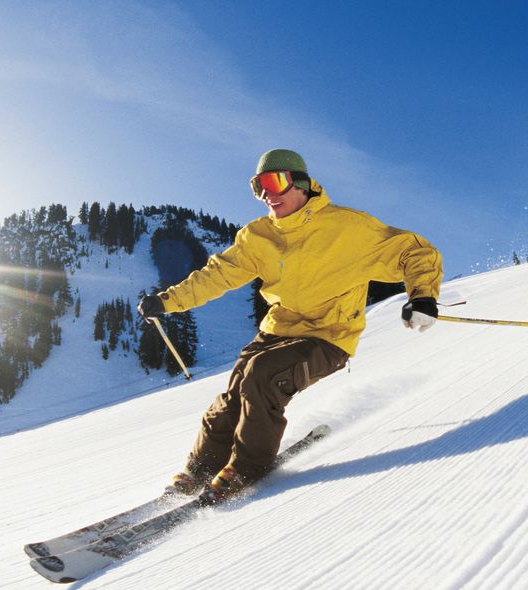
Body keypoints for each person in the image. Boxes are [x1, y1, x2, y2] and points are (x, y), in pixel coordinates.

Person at [138, 148, 442, 504]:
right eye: (257, 186)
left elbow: (414, 251)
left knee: (261, 376)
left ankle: (246, 468)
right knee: (236, 389)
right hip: (277, 330)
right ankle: (201, 467)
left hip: (328, 336)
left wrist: (422, 297)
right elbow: (216, 275)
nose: (266, 193)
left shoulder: (348, 227)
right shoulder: (258, 236)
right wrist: (167, 300)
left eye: (273, 181)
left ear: (301, 183)